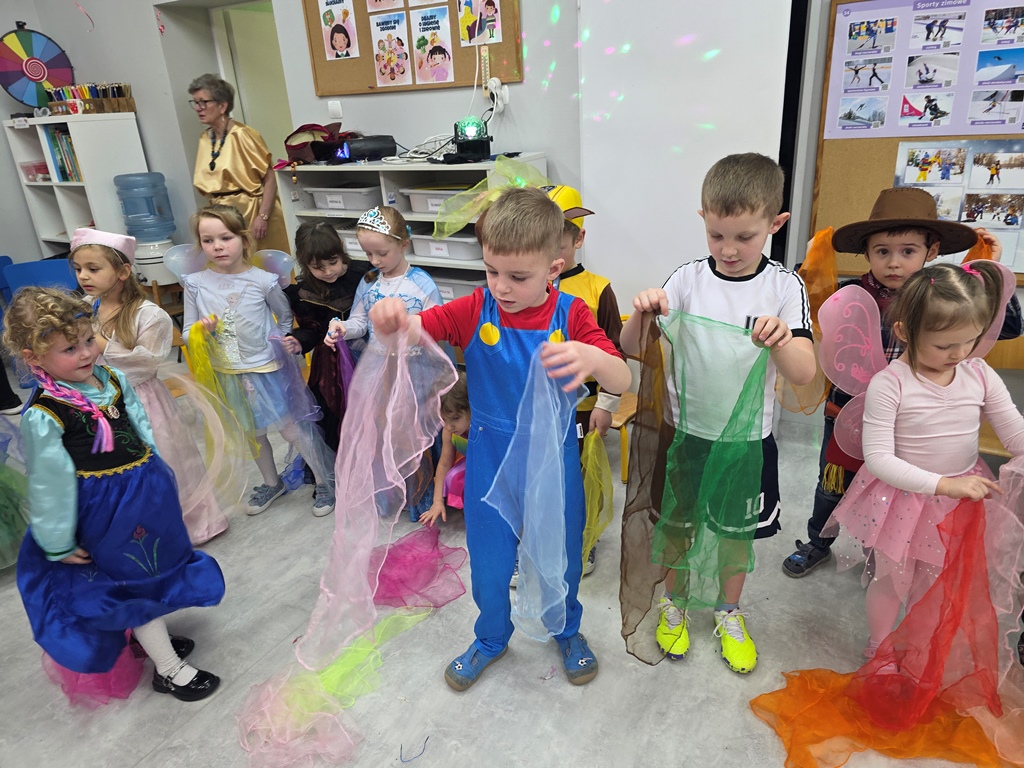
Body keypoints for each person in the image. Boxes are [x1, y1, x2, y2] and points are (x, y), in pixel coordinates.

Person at [369, 186, 630, 690]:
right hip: (490, 458)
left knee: (560, 557)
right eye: (491, 271)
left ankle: (566, 629)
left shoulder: (573, 314)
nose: (501, 287)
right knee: (489, 564)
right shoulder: (476, 308)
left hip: (552, 460)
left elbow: (622, 377)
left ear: (553, 268)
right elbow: (418, 329)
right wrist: (395, 321)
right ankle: (490, 637)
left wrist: (595, 358)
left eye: (517, 276)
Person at [621, 153, 817, 673]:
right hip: (686, 433)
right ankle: (674, 603)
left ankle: (729, 611)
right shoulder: (687, 279)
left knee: (734, 536)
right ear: (703, 221)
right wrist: (641, 313)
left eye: (744, 237)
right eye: (716, 235)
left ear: (775, 224)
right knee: (676, 527)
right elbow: (632, 347)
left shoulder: (784, 287)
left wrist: (781, 340)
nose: (728, 250)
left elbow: (803, 373)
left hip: (748, 441)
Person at [783, 187, 1021, 578]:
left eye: (908, 251)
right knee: (833, 485)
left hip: (915, 420)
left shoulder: (945, 299)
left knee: (895, 491)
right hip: (848, 411)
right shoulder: (851, 293)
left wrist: (990, 272)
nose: (894, 262)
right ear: (867, 253)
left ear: (932, 251)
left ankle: (881, 551)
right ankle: (818, 542)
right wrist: (810, 264)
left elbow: (1005, 327)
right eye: (882, 252)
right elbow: (807, 306)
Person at [3, 287, 224, 702]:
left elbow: (141, 430)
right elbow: (49, 484)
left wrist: (158, 478)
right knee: (130, 587)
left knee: (150, 572)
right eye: (70, 349)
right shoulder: (45, 414)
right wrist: (57, 542)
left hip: (144, 495)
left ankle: (150, 639)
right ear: (34, 358)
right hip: (103, 513)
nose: (87, 353)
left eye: (89, 340)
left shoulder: (113, 379)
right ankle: (169, 670)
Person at [824, 261, 1024, 658]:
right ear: (905, 331)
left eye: (969, 341)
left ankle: (917, 648)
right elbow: (878, 458)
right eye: (944, 345)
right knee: (891, 580)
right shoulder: (891, 383)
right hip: (903, 498)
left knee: (934, 582)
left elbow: (1015, 433)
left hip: (960, 498)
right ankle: (879, 648)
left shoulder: (979, 373)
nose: (959, 354)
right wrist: (944, 485)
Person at [70, 228, 230, 544]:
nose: (83, 276)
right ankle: (142, 531)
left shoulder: (148, 314)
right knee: (121, 467)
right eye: (78, 269)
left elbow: (148, 361)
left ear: (122, 272)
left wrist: (100, 343)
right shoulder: (86, 308)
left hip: (143, 400)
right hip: (101, 402)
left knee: (167, 460)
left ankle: (192, 525)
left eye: (93, 268)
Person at [182, 205, 336, 516]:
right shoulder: (195, 283)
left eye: (225, 238)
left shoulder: (263, 281)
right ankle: (271, 482)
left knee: (290, 428)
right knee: (252, 432)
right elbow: (186, 332)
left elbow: (284, 316)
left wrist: (279, 340)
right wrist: (200, 330)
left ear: (243, 239)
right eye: (208, 241)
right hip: (227, 371)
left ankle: (325, 481)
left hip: (266, 368)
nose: (217, 247)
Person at [545, 184, 623, 577]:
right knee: (540, 473)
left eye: (559, 241)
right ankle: (539, 539)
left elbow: (614, 354)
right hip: (539, 405)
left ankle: (583, 537)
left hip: (583, 406)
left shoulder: (597, 289)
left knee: (579, 474)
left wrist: (607, 405)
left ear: (578, 238)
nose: (551, 251)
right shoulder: (528, 287)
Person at [283, 221, 367, 452]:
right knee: (334, 411)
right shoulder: (305, 291)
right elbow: (312, 329)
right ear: (304, 262)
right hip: (331, 365)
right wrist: (299, 340)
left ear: (341, 250)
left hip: (366, 354)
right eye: (318, 267)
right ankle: (340, 460)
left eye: (333, 262)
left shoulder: (364, 274)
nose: (329, 272)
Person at [188, 74, 289, 254]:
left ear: (222, 106)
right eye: (195, 103)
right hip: (222, 215)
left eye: (203, 102)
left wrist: (263, 217)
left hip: (253, 210)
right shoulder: (205, 138)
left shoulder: (243, 134)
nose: (197, 108)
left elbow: (270, 178)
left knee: (261, 263)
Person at [324, 206, 441, 355]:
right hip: (378, 361)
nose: (374, 261)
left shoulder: (423, 284)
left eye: (382, 253)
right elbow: (359, 322)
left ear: (404, 245)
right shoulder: (369, 281)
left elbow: (436, 328)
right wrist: (342, 327)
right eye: (368, 253)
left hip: (414, 362)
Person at [421, 372, 470, 528]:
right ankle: (469, 510)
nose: (449, 426)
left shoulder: (481, 428)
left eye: (455, 418)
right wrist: (437, 502)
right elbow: (444, 463)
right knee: (453, 477)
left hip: (491, 468)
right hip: (469, 464)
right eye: (444, 420)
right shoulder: (449, 431)